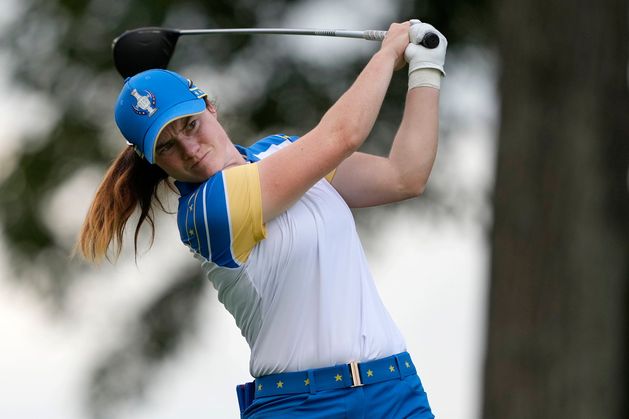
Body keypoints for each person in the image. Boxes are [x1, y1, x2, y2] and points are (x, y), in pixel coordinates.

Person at [79, 19, 447, 419]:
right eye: (167, 145)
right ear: (152, 160)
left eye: (190, 124)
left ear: (210, 107)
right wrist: (389, 54)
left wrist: (426, 69)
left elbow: (404, 177)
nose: (189, 148)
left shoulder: (282, 151)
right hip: (299, 407)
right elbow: (342, 135)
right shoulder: (207, 213)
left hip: (395, 390)